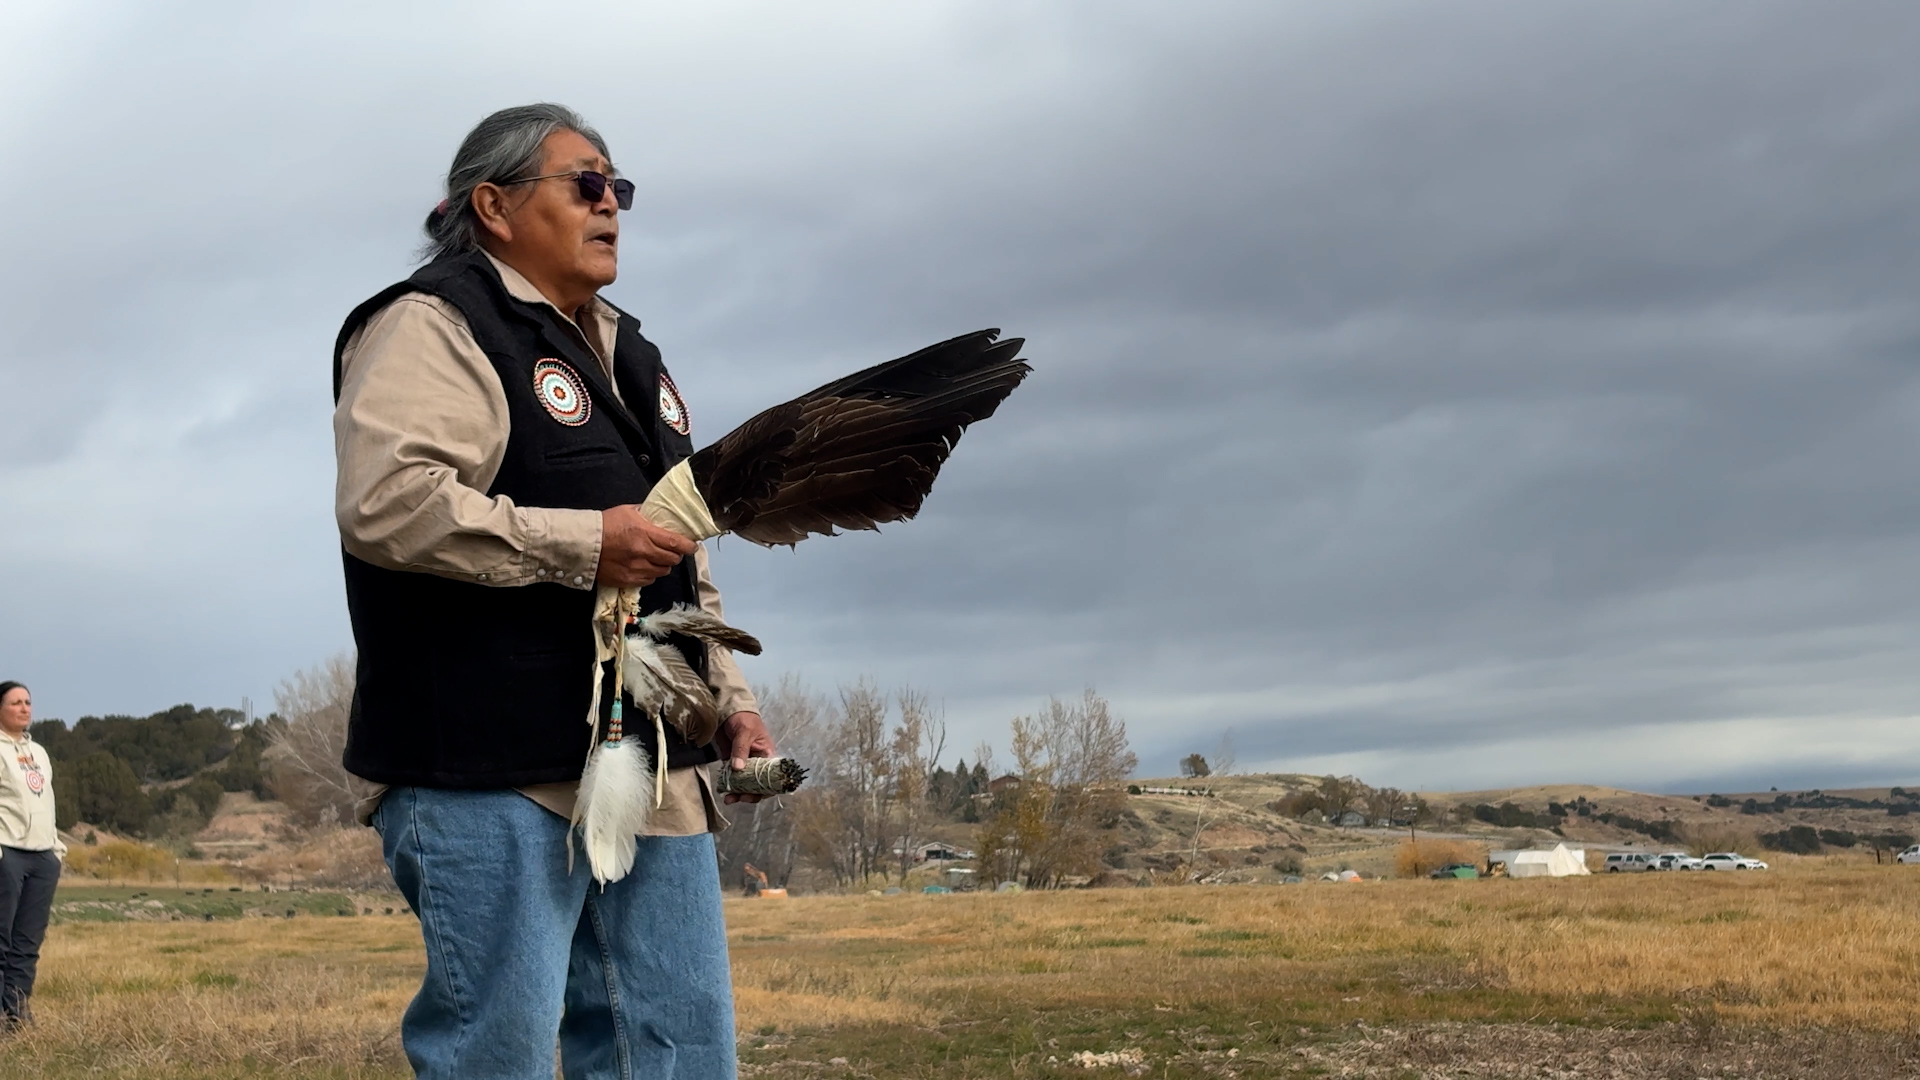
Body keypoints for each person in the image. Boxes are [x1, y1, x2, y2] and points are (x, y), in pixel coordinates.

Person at [332, 104, 775, 1079]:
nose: (610, 203)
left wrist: (730, 702)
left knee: (680, 1052)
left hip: (654, 763)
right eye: (585, 183)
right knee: (503, 1055)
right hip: (492, 770)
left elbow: (679, 545)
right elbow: (388, 503)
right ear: (493, 205)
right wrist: (583, 543)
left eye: (620, 187)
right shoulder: (433, 326)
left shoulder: (634, 357)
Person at [0, 681, 63, 1030]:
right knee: (1, 938)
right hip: (7, 853)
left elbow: (45, 800)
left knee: (28, 942)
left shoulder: (37, 751)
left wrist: (55, 847)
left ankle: (17, 1014)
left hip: (42, 856)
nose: (24, 708)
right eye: (15, 703)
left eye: (28, 702)